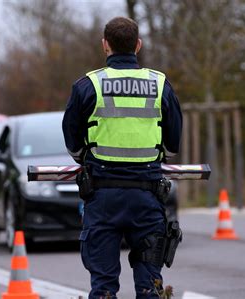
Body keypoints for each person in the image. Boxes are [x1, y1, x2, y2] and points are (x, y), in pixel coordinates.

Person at [63, 17, 182, 298]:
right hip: (147, 197)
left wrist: (91, 157)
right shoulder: (160, 84)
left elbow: (73, 144)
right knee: (151, 285)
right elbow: (173, 145)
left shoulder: (87, 85)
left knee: (103, 287)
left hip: (102, 197)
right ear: (137, 45)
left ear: (105, 45)